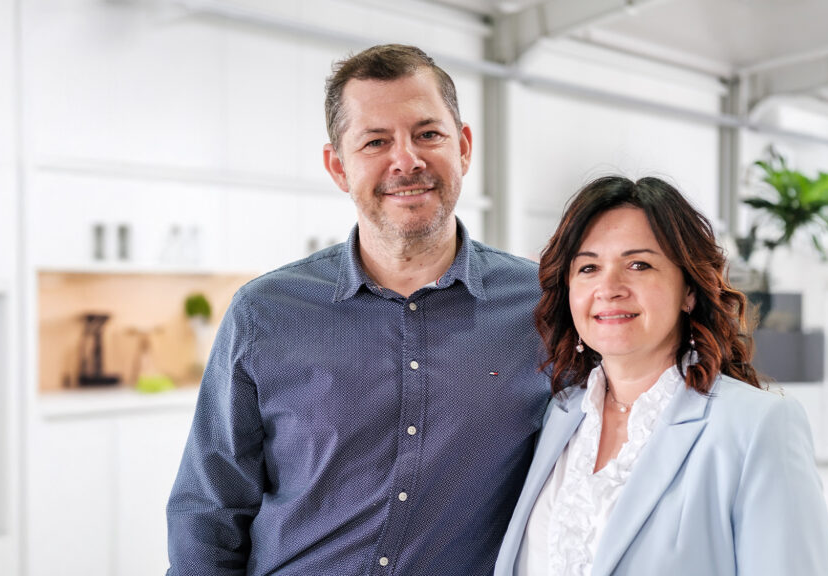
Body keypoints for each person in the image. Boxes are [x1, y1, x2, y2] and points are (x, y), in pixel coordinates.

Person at [166, 44, 550, 575]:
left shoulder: (546, 308)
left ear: (463, 147)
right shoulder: (265, 314)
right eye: (375, 141)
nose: (407, 160)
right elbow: (209, 507)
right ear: (338, 166)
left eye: (428, 134)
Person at [494, 175, 828, 575]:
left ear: (689, 290)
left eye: (639, 264)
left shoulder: (757, 426)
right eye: (588, 267)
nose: (609, 287)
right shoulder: (559, 415)